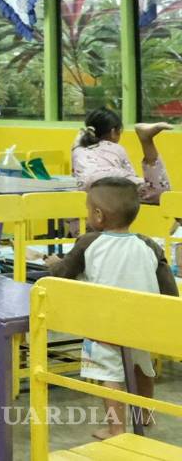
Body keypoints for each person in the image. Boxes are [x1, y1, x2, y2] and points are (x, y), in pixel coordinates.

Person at [45, 177, 178, 440]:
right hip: (142, 323)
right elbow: (169, 290)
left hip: (103, 325)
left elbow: (63, 274)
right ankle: (145, 415)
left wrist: (53, 263)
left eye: (87, 208)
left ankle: (116, 429)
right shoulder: (149, 244)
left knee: (109, 374)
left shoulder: (88, 242)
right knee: (142, 367)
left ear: (98, 215)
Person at [72, 109, 172, 203]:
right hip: (110, 179)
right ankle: (146, 140)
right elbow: (130, 175)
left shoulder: (78, 148)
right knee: (157, 193)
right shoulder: (115, 148)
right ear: (113, 132)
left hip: (83, 188)